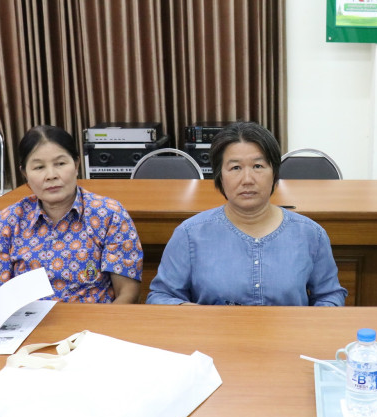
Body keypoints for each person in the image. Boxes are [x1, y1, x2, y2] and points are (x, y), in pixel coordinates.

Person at [147, 122, 346, 306]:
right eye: (235, 168)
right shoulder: (190, 234)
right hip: (213, 332)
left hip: (288, 332)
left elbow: (330, 295)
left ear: (274, 173)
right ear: (220, 176)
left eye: (258, 166)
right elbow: (160, 296)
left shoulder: (310, 234)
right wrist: (192, 313)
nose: (247, 179)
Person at [0, 126, 143, 303]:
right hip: (28, 318)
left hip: (94, 317)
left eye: (60, 164)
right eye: (39, 167)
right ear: (25, 174)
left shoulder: (109, 214)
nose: (51, 175)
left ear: (76, 165)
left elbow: (127, 293)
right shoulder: (6, 221)